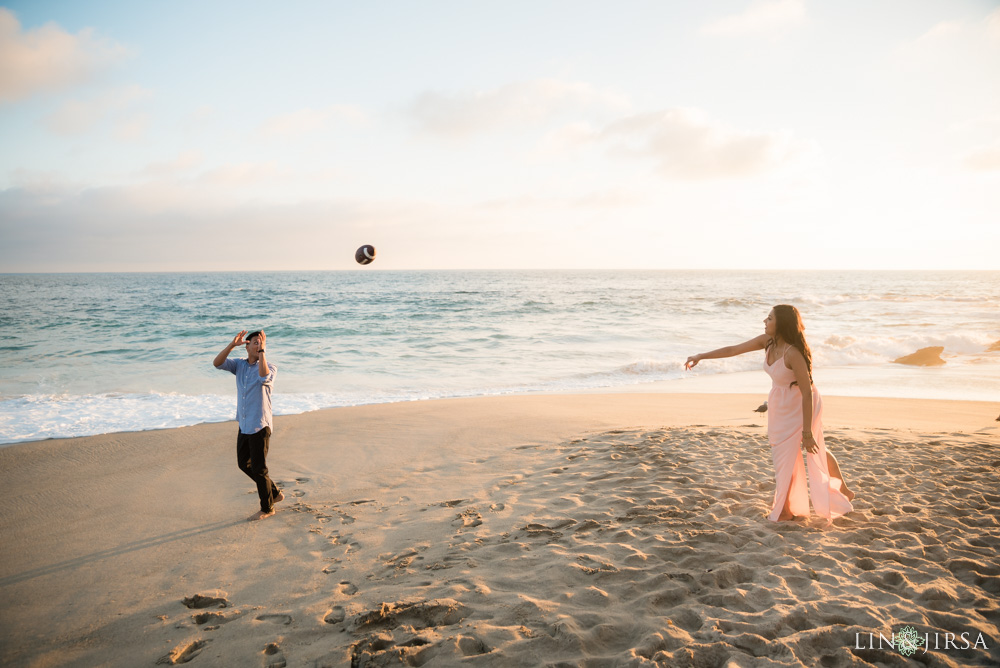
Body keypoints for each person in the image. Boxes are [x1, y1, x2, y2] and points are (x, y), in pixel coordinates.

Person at [685, 305, 854, 522]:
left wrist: (807, 431)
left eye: (769, 318)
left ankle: (785, 509)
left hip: (803, 403)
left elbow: (806, 393)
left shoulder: (793, 353)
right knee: (784, 453)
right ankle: (829, 494)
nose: (764, 321)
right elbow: (733, 350)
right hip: (780, 403)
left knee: (809, 448)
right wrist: (701, 355)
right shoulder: (767, 342)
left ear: (781, 324)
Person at [213, 329, 283, 521]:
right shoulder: (239, 366)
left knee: (260, 468)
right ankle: (274, 493)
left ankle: (267, 508)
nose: (258, 344)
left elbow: (263, 377)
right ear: (247, 346)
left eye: (261, 342)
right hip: (244, 423)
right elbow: (217, 363)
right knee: (244, 464)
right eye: (254, 342)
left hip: (260, 425)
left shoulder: (270, 367)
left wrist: (262, 353)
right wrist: (231, 345)